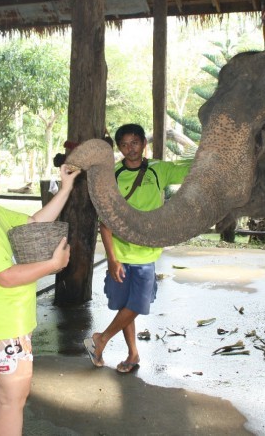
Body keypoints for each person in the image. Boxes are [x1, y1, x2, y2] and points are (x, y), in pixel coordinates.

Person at [0, 149, 79, 435]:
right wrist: (52, 264)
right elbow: (5, 277)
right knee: (13, 402)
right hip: (1, 329)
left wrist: (66, 187)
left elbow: (33, 222)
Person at [84, 124, 191, 373]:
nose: (130, 149)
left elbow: (193, 171)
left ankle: (101, 339)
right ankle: (132, 354)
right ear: (119, 148)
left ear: (144, 143)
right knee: (126, 306)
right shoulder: (114, 175)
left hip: (146, 254)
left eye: (135, 143)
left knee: (138, 305)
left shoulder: (159, 170)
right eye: (124, 144)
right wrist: (111, 259)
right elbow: (106, 221)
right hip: (119, 253)